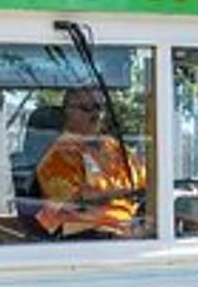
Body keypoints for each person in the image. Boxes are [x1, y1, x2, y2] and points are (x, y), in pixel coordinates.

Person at [32, 86, 147, 238]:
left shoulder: (113, 147)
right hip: (85, 234)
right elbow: (74, 204)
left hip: (127, 227)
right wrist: (121, 193)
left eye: (99, 108)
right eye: (87, 108)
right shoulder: (57, 155)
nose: (96, 115)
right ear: (67, 111)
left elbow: (144, 180)